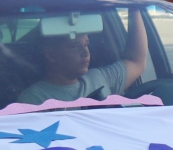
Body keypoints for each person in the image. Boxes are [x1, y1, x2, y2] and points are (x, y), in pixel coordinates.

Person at [17, 22, 148, 106]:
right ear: (51, 55)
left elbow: (136, 62)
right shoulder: (34, 98)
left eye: (86, 44)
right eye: (75, 46)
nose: (85, 53)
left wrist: (135, 9)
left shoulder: (99, 77)